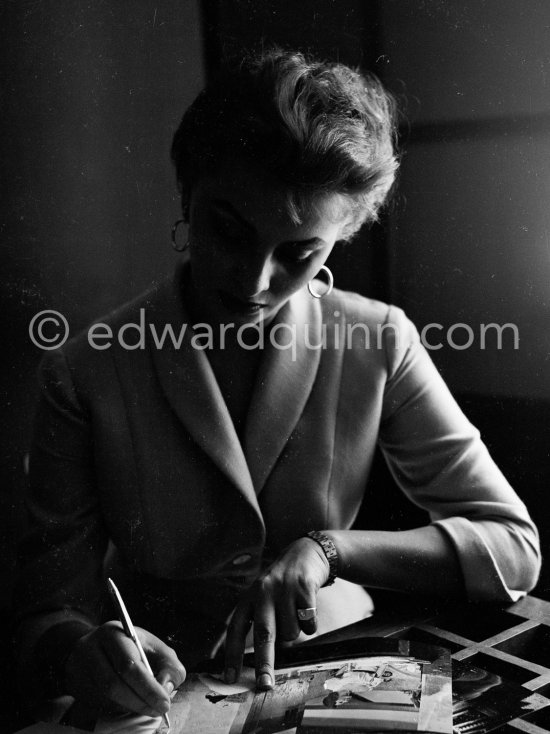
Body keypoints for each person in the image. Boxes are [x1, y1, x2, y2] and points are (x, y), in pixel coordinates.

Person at [14, 48, 540, 723]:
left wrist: (329, 551)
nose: (254, 280)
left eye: (299, 254)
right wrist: (81, 650)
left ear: (342, 236)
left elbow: (514, 550)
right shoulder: (86, 369)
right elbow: (43, 614)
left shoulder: (377, 339)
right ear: (188, 196)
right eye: (228, 231)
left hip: (345, 668)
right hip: (161, 689)